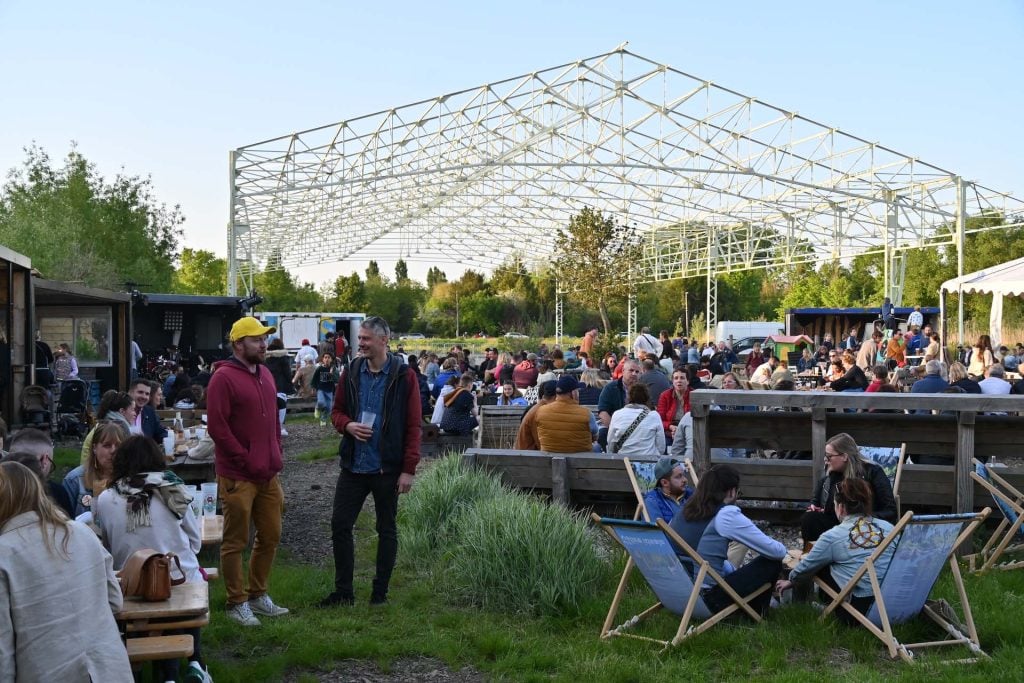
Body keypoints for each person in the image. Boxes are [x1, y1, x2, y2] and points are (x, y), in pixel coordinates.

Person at [0, 461, 133, 681]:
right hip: (108, 669)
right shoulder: (82, 532)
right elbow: (114, 600)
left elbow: (3, 653)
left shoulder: (4, 554)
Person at [95, 436, 211, 682]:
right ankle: (195, 661)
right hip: (176, 581)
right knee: (192, 575)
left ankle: (157, 671)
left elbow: (108, 546)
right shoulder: (174, 490)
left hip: (131, 585)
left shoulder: (106, 498)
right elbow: (196, 543)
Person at [323, 316, 421, 607]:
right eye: (360, 339)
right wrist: (348, 426)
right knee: (340, 525)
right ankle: (344, 592)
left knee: (386, 528)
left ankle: (380, 593)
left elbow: (414, 425)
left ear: (383, 340)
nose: (361, 344)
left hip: (386, 468)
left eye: (366, 339)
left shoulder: (404, 376)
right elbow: (337, 411)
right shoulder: (352, 371)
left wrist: (408, 469)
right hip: (354, 464)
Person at [207, 316, 289, 627]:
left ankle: (258, 595)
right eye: (257, 339)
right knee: (234, 541)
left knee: (270, 535)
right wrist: (245, 459)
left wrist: (275, 452)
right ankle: (236, 601)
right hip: (237, 476)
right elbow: (218, 428)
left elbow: (272, 422)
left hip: (268, 474)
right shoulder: (222, 379)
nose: (264, 344)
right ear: (239, 344)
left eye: (265, 338)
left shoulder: (265, 374)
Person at [670, 464, 786, 615]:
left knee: (727, 567)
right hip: (707, 599)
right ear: (731, 491)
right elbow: (777, 551)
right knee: (771, 562)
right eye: (739, 492)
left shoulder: (684, 511)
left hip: (679, 594)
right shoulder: (726, 514)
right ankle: (756, 612)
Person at [777, 479, 895, 622]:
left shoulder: (832, 536)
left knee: (818, 561)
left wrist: (791, 579)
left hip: (858, 611)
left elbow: (807, 566)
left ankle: (829, 604)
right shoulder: (890, 529)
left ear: (840, 507)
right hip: (892, 602)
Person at [801, 433, 898, 546]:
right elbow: (815, 501)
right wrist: (814, 508)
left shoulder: (873, 473)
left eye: (828, 456)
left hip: (865, 527)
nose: (825, 460)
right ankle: (814, 556)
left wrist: (863, 518)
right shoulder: (829, 477)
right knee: (810, 518)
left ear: (844, 456)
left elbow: (890, 511)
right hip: (837, 527)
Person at [534, 375, 595, 453]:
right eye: (577, 391)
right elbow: (595, 436)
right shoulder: (587, 413)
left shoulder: (541, 411)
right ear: (573, 393)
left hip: (549, 462)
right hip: (581, 463)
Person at [607, 383, 665, 456]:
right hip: (647, 461)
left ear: (628, 397)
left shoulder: (617, 414)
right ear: (647, 398)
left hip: (623, 461)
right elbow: (661, 447)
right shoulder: (654, 416)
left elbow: (610, 442)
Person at [598, 358, 642, 449]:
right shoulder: (610, 388)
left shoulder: (643, 389)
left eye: (637, 372)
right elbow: (603, 412)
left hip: (639, 428)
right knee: (602, 434)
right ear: (623, 371)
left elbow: (650, 410)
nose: (634, 374)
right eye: (631, 370)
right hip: (615, 428)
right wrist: (614, 429)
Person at [643, 457, 692, 523]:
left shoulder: (691, 495)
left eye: (683, 475)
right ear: (664, 483)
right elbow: (656, 532)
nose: (685, 480)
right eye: (679, 477)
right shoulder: (652, 502)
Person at [513, 380, 557, 450]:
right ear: (556, 396)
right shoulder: (539, 411)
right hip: (528, 456)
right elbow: (541, 443)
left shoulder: (540, 408)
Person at [265, 337, 294, 437]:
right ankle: (281, 427)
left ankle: (270, 428)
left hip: (266, 386)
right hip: (279, 386)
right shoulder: (283, 357)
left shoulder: (264, 357)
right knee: (281, 405)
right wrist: (290, 385)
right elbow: (287, 373)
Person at [656, 368, 691, 444]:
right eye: (676, 378)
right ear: (672, 381)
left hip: (689, 431)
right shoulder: (665, 395)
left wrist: (682, 430)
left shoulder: (694, 395)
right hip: (670, 431)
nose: (679, 380)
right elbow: (659, 420)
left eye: (682, 378)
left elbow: (695, 420)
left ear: (688, 381)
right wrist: (670, 427)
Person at [129, 378, 168, 442]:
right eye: (140, 392)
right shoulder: (122, 412)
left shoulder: (149, 412)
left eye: (147, 394)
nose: (144, 397)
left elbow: (161, 433)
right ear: (130, 393)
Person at [311, 352, 340, 427]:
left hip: (329, 390)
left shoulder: (334, 369)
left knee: (328, 408)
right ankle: (317, 407)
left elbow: (337, 380)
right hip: (321, 389)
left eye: (328, 357)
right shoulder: (320, 368)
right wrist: (313, 387)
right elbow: (314, 378)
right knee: (321, 402)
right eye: (325, 357)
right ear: (323, 359)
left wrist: (332, 374)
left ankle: (323, 420)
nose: (327, 359)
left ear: (331, 359)